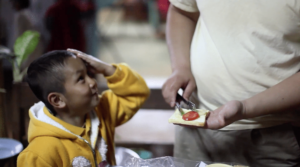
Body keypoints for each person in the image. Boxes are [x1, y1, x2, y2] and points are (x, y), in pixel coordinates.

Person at [162, 0, 300, 166]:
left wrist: (245, 108)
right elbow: (183, 12)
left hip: (273, 134)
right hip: (195, 127)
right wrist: (181, 67)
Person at [17, 49, 150, 166]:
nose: (93, 82)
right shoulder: (40, 154)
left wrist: (107, 69)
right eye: (81, 78)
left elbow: (137, 93)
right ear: (57, 100)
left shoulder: (102, 111)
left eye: (89, 74)